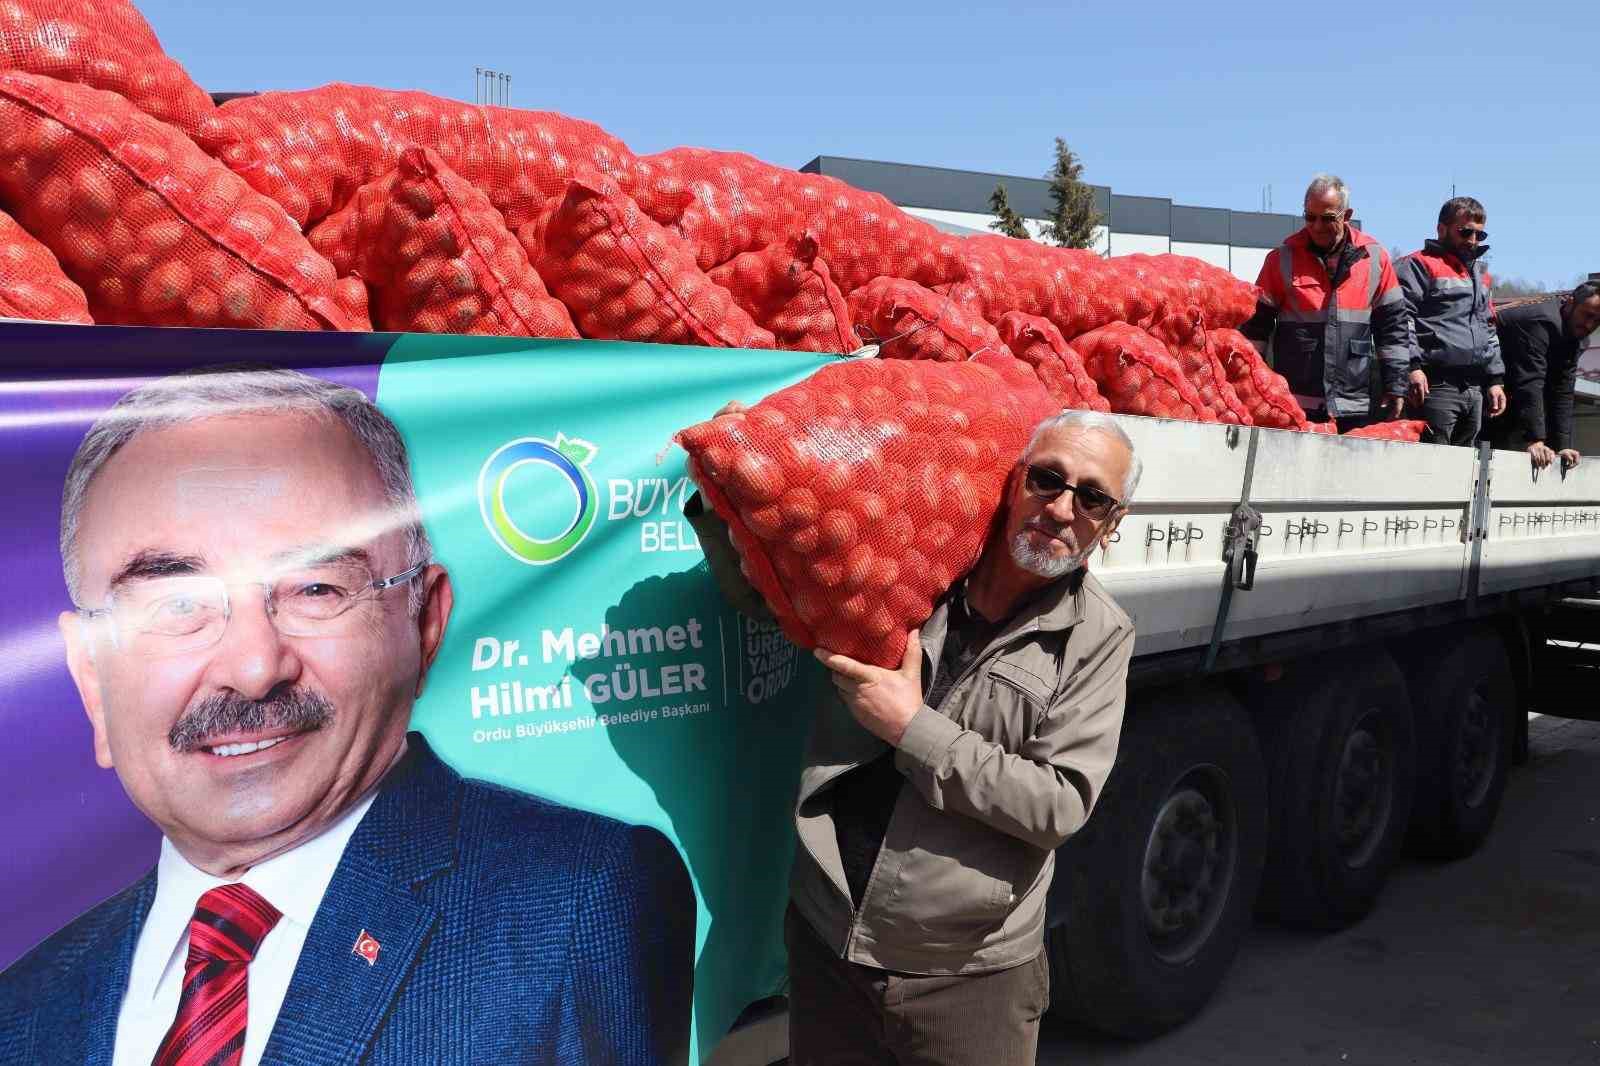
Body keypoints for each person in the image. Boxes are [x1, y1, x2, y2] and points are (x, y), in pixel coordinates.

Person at [0, 366, 694, 1066]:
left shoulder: (574, 905)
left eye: (315, 589)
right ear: (90, 678)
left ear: (424, 626)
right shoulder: (23, 1009)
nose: (252, 667)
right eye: (176, 606)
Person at [691, 408, 1137, 1066]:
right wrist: (720, 493)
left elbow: (1059, 804)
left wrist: (912, 729)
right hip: (829, 939)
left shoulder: (1099, 637)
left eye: (1092, 496)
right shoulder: (918, 559)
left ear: (1112, 524)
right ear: (1015, 482)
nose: (1062, 506)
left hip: (967, 976)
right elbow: (769, 596)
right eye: (1048, 479)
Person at [1241, 174, 1410, 431]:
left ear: (1347, 215)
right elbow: (1256, 329)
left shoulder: (1375, 258)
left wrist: (1396, 383)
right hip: (1296, 402)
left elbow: (1393, 328)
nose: (1317, 226)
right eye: (1310, 217)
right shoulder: (1281, 259)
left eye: (1328, 218)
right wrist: (1250, 384)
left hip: (1353, 403)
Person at [1396, 196, 1507, 445]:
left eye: (1480, 235)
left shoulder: (1481, 275)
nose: (1473, 240)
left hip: (1475, 389)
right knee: (1430, 468)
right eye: (1465, 232)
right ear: (1441, 229)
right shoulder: (1418, 265)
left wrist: (1495, 380)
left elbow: (1488, 327)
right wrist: (1412, 367)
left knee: (1464, 473)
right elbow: (1402, 320)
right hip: (1434, 387)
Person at [1492, 280, 1600, 469]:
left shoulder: (1577, 339)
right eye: (1588, 315)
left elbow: (1563, 390)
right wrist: (1535, 440)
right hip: (1480, 385)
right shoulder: (1540, 322)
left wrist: (1561, 446)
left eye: (1598, 321)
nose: (1590, 325)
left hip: (1511, 394)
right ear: (1570, 303)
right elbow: (1530, 381)